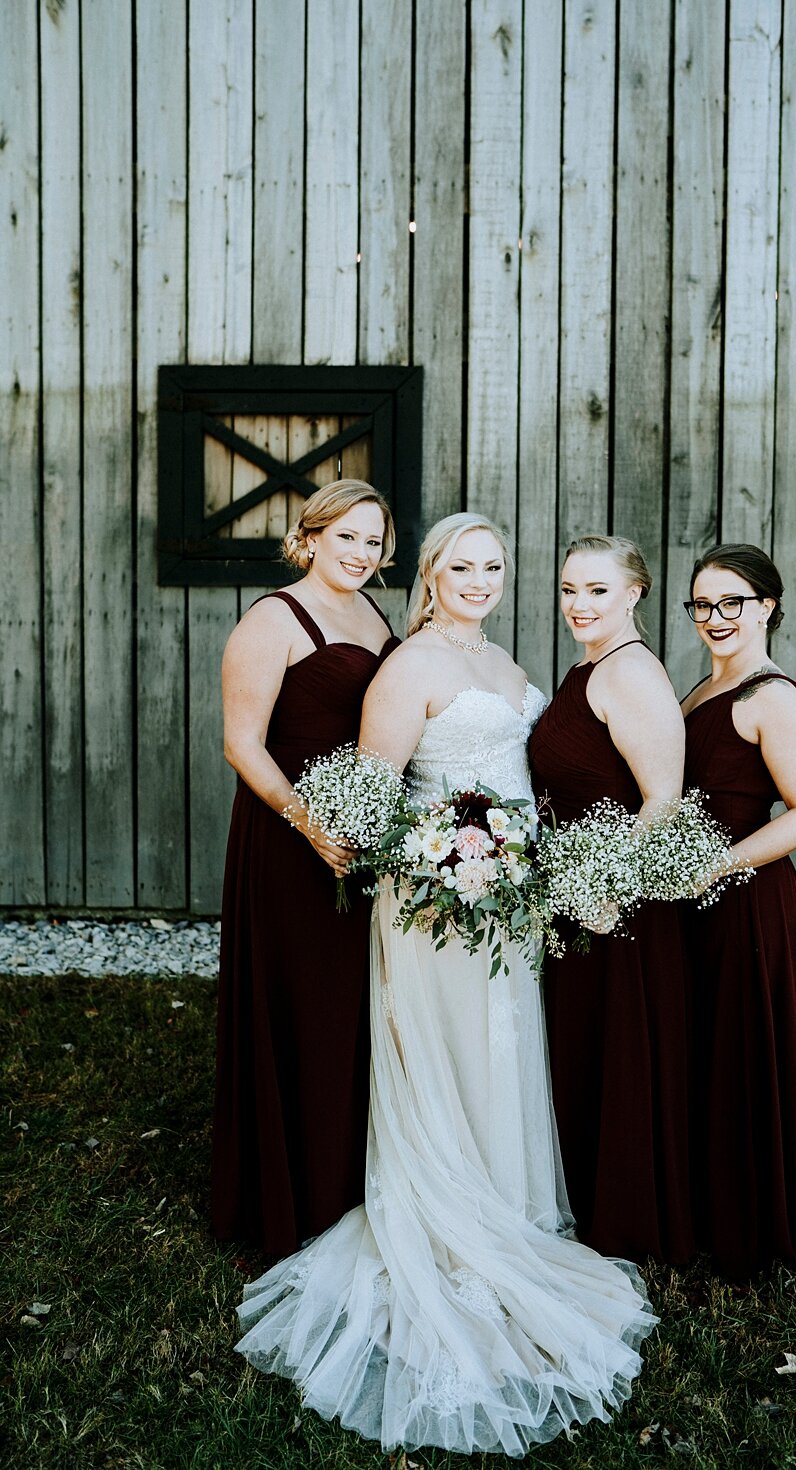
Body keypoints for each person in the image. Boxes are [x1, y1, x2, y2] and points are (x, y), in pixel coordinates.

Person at [234, 513, 654, 1457]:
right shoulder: (410, 665)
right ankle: (451, 1212)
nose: (480, 579)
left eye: (495, 566)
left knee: (504, 1047)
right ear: (429, 574)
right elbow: (375, 799)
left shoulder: (506, 663)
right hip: (436, 905)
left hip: (507, 904)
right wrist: (441, 861)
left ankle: (512, 1205)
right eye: (462, 566)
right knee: (449, 1051)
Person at [211, 480, 399, 1258]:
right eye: (345, 537)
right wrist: (307, 822)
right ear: (311, 536)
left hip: (358, 835)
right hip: (291, 839)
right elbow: (241, 743)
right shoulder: (272, 618)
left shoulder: (372, 614)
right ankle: (289, 1192)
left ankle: (347, 1180)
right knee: (302, 1004)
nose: (360, 553)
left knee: (354, 1005)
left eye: (374, 541)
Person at [528, 534, 695, 1265]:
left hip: (613, 907)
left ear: (634, 594)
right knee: (580, 1051)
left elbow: (661, 799)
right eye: (569, 589)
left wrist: (605, 887)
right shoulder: (585, 667)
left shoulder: (632, 675)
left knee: (615, 1054)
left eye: (596, 591)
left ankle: (624, 1218)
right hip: (573, 892)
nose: (578, 605)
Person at [680, 542, 796, 1278]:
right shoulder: (703, 690)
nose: (715, 617)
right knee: (706, 1051)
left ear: (767, 606)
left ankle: (749, 1226)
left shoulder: (771, 695)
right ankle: (703, 1205)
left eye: (731, 602)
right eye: (703, 604)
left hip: (746, 902)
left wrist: (716, 866)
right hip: (698, 903)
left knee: (742, 1056)